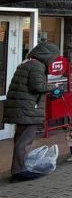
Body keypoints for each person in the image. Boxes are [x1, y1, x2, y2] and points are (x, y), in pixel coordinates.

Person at [3, 40, 60, 182]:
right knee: (24, 141)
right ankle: (19, 171)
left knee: (21, 140)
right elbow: (37, 87)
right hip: (27, 110)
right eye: (53, 57)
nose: (53, 61)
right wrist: (54, 87)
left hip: (22, 108)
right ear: (47, 55)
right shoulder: (37, 66)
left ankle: (19, 168)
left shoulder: (26, 63)